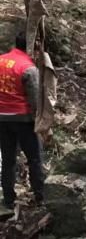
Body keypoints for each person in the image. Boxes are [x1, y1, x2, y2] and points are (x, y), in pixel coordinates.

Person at [0, 32, 44, 208]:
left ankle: (8, 199)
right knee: (34, 158)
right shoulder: (28, 67)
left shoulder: (1, 60)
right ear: (31, 46)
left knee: (8, 158)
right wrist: (39, 120)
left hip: (1, 118)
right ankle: (40, 197)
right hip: (23, 118)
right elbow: (35, 99)